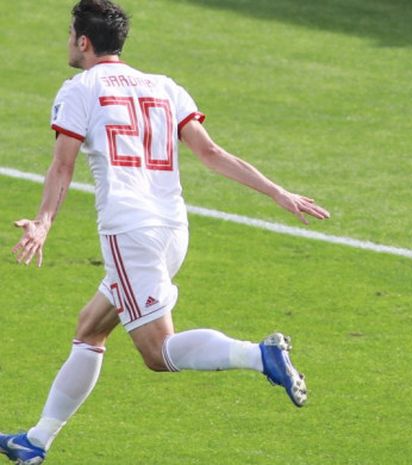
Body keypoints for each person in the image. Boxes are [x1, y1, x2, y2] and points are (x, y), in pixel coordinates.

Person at [0, 1, 330, 463]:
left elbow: (62, 165)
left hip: (128, 234)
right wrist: (278, 192)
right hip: (173, 231)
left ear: (84, 42)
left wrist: (44, 222)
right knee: (90, 328)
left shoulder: (80, 89)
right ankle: (36, 442)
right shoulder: (165, 87)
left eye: (70, 34)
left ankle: (260, 355)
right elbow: (211, 154)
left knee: (157, 353)